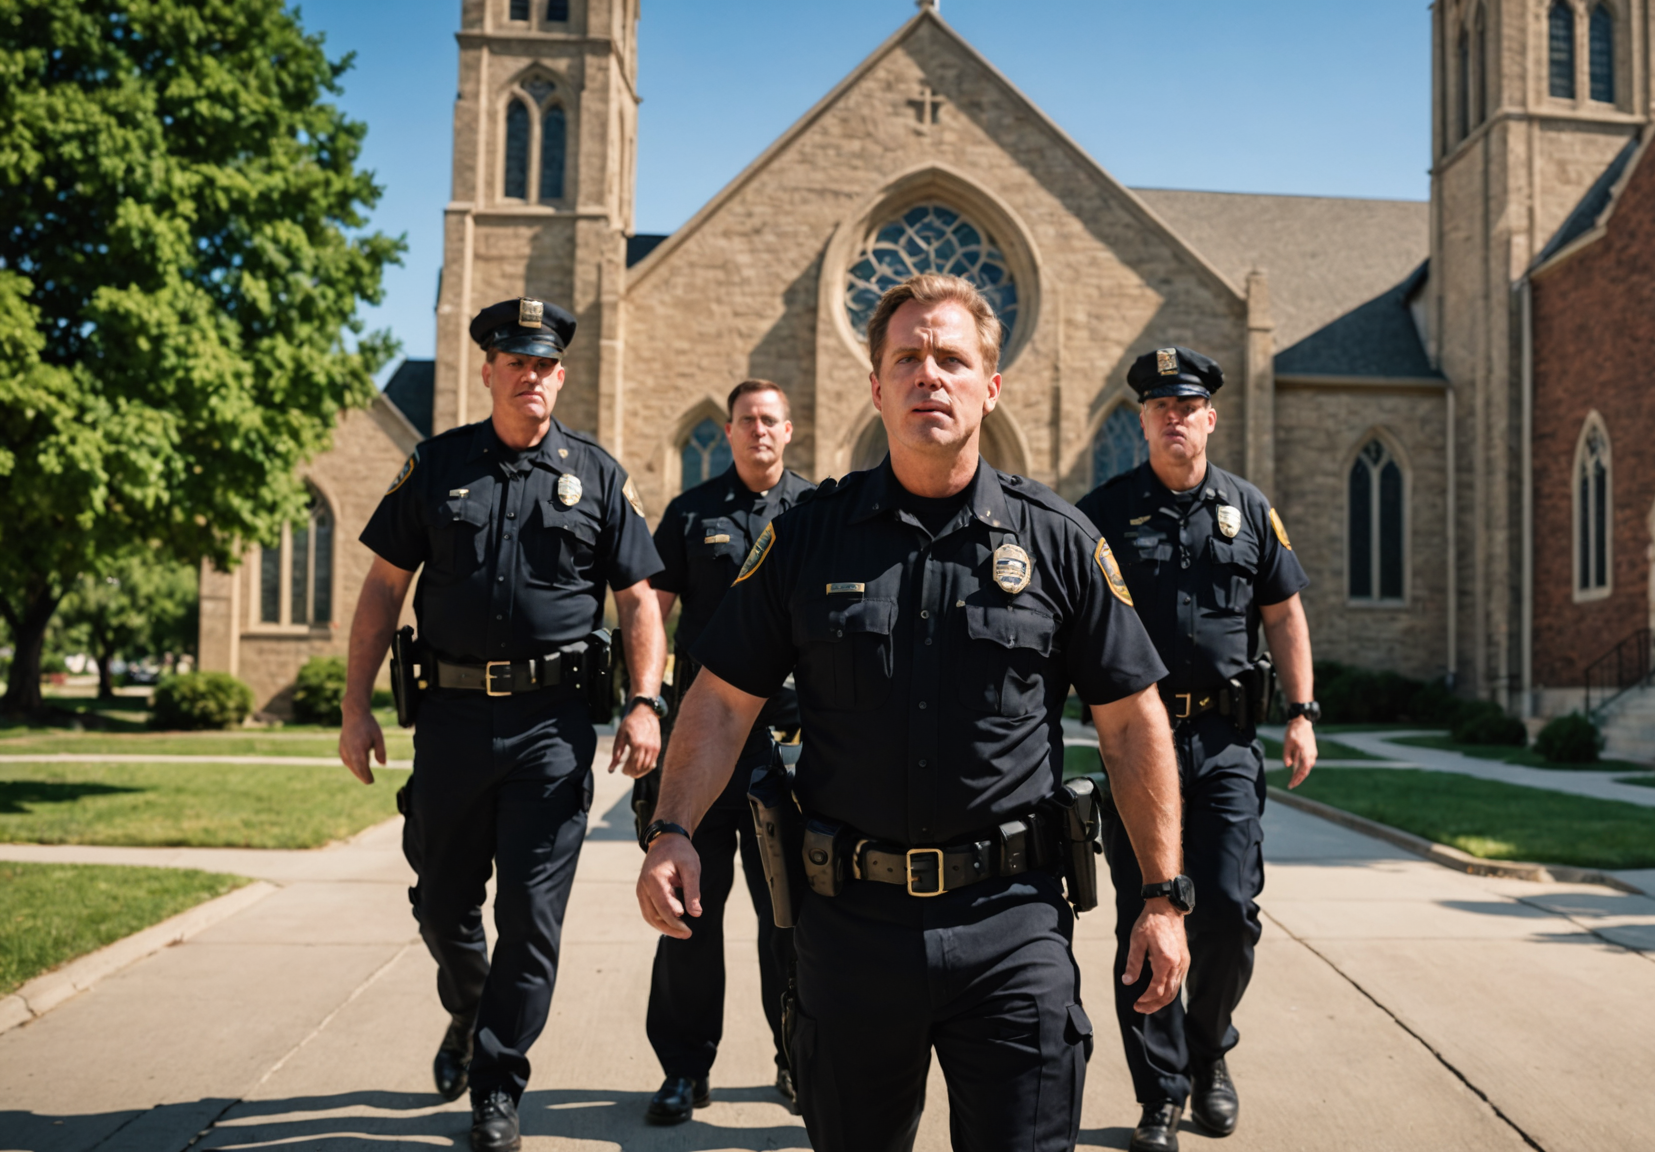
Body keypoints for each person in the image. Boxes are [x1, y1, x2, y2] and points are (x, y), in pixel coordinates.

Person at [633, 272, 1192, 1152]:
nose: (930, 374)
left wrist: (1162, 895)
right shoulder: (807, 537)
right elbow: (721, 698)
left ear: (990, 385)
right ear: (877, 385)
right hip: (850, 931)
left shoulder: (1058, 540)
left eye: (952, 358)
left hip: (1013, 929)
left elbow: (1131, 720)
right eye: (908, 357)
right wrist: (671, 829)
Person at [337, 298, 667, 1152]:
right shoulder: (437, 466)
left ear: (561, 373)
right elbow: (381, 590)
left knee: (531, 915)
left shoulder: (593, 476)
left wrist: (644, 699)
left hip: (551, 731)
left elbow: (638, 600)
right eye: (515, 361)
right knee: (441, 902)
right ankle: (469, 1003)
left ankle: (496, 1082)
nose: (532, 375)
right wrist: (354, 708)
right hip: (447, 721)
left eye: (546, 363)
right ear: (487, 370)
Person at [1076, 347, 1319, 1152]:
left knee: (1228, 914)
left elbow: (1283, 613)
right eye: (1159, 407)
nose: (1174, 417)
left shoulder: (1248, 510)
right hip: (1136, 745)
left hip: (1222, 744)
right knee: (1145, 921)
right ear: (1141, 421)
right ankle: (1162, 1093)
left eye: (1188, 406)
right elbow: (1067, 621)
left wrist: (1302, 710)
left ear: (1210, 417)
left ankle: (1210, 1049)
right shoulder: (1104, 513)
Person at [636, 379, 812, 1122]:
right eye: (746, 421)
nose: (758, 432)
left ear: (789, 430)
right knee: (690, 916)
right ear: (730, 431)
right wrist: (644, 702)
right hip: (705, 750)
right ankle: (685, 1070)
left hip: (790, 750)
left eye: (770, 421)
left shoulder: (818, 511)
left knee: (792, 920)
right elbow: (652, 610)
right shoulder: (691, 513)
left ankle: (796, 1059)